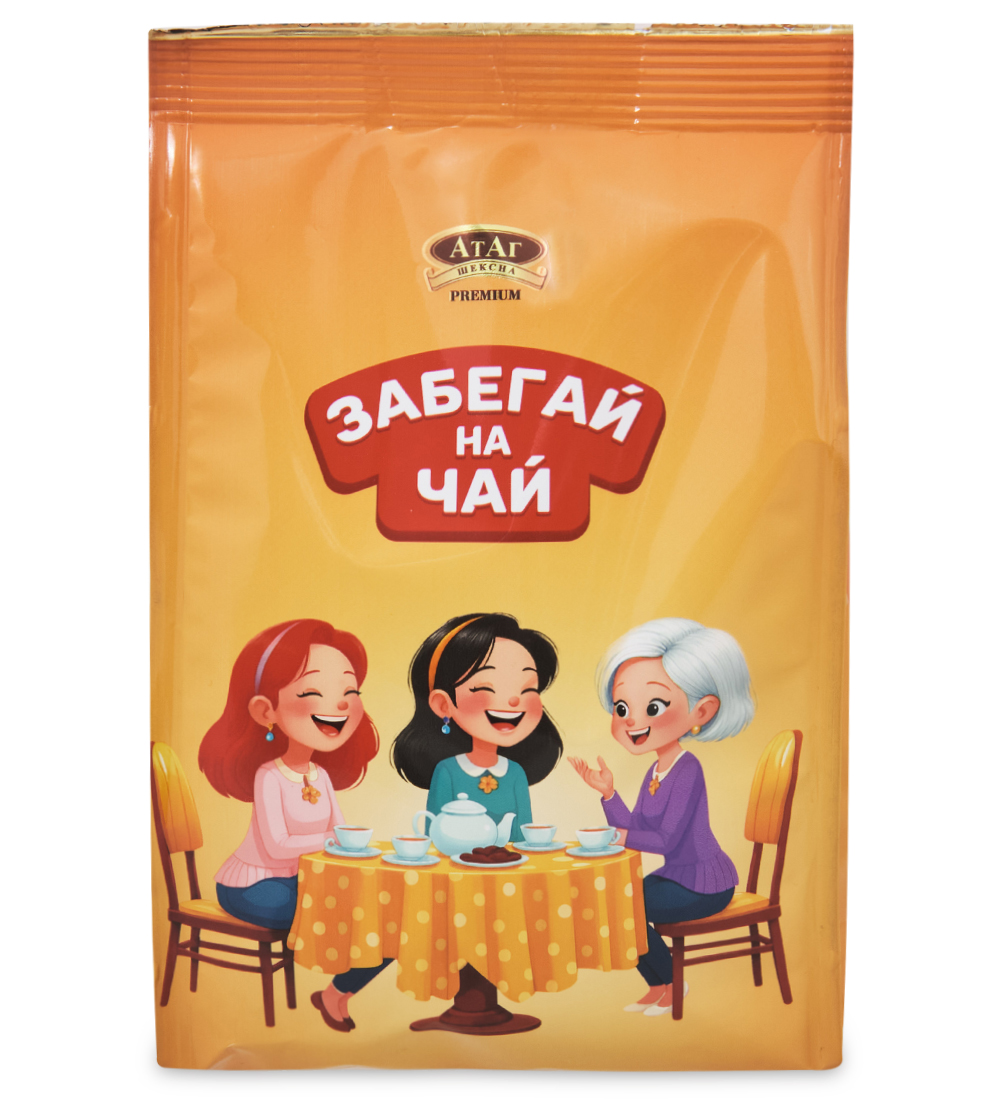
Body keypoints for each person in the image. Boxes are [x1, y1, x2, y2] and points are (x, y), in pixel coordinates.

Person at [198, 618, 383, 1033]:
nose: (340, 706)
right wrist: (333, 841)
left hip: (304, 881)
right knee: (331, 913)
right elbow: (278, 845)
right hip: (254, 885)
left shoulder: (321, 776)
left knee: (384, 912)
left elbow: (341, 834)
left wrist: (352, 847)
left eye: (349, 693)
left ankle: (337, 993)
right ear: (266, 711)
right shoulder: (269, 776)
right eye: (314, 693)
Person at [569, 618, 754, 1016]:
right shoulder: (655, 771)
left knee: (624, 906)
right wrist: (608, 793)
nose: (630, 720)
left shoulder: (688, 769)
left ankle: (672, 984)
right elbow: (637, 828)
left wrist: (620, 838)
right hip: (677, 877)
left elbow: (665, 839)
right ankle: (660, 985)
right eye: (622, 708)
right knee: (617, 901)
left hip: (706, 883)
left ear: (702, 711)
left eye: (653, 707)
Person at [391, 613, 563, 844]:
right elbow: (434, 837)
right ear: (443, 704)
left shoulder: (515, 774)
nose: (514, 700)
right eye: (486, 687)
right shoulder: (447, 772)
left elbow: (525, 837)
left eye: (528, 689)